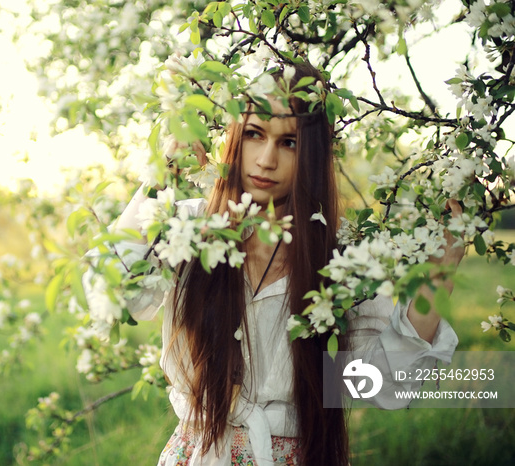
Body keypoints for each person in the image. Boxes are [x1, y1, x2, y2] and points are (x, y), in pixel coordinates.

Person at [92, 62, 462, 466]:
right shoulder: (189, 226)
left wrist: (439, 274)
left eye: (289, 142)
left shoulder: (341, 262)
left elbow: (387, 386)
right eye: (255, 134)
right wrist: (159, 178)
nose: (266, 159)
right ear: (235, 137)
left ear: (313, 155)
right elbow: (112, 295)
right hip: (199, 453)